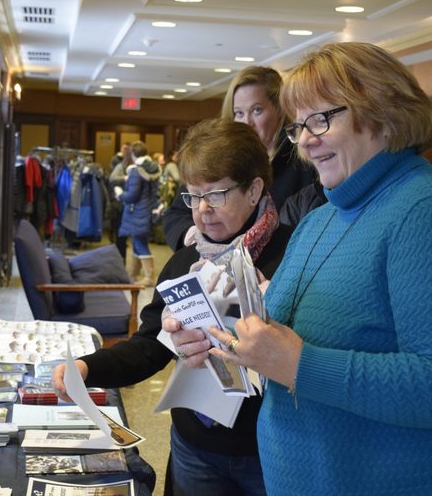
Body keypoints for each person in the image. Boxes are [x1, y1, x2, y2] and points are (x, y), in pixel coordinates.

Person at [166, 42, 432, 495]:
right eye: (298, 126)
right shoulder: (319, 219)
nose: (304, 140)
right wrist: (211, 336)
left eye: (321, 119)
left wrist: (302, 365)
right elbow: (279, 340)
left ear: (383, 112)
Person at [53, 118, 294, 496]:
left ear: (254, 190)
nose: (202, 210)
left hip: (267, 450)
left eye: (216, 195)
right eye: (193, 196)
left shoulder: (293, 257)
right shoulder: (187, 260)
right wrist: (87, 367)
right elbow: (151, 346)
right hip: (194, 444)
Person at [163, 66, 322, 251]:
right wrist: (197, 239)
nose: (247, 122)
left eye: (256, 110)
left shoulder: (303, 160)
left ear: (279, 110)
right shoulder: (214, 156)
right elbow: (176, 214)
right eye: (239, 113)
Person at [116, 140, 161, 287]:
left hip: (137, 212)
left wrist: (120, 194)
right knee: (137, 242)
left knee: (140, 243)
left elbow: (132, 196)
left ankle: (149, 277)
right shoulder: (152, 168)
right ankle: (133, 275)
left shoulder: (136, 172)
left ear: (133, 154)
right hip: (147, 210)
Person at [108, 143, 132, 259]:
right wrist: (125, 178)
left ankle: (121, 263)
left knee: (122, 236)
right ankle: (120, 263)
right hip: (120, 204)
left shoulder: (130, 166)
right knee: (120, 236)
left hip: (125, 203)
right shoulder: (119, 165)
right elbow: (112, 179)